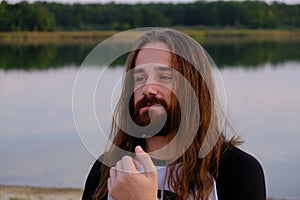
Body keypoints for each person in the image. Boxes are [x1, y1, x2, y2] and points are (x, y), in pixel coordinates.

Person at [82, 28, 266, 200]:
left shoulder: (236, 170)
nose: (148, 89)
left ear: (194, 87)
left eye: (164, 77)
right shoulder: (108, 170)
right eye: (140, 78)